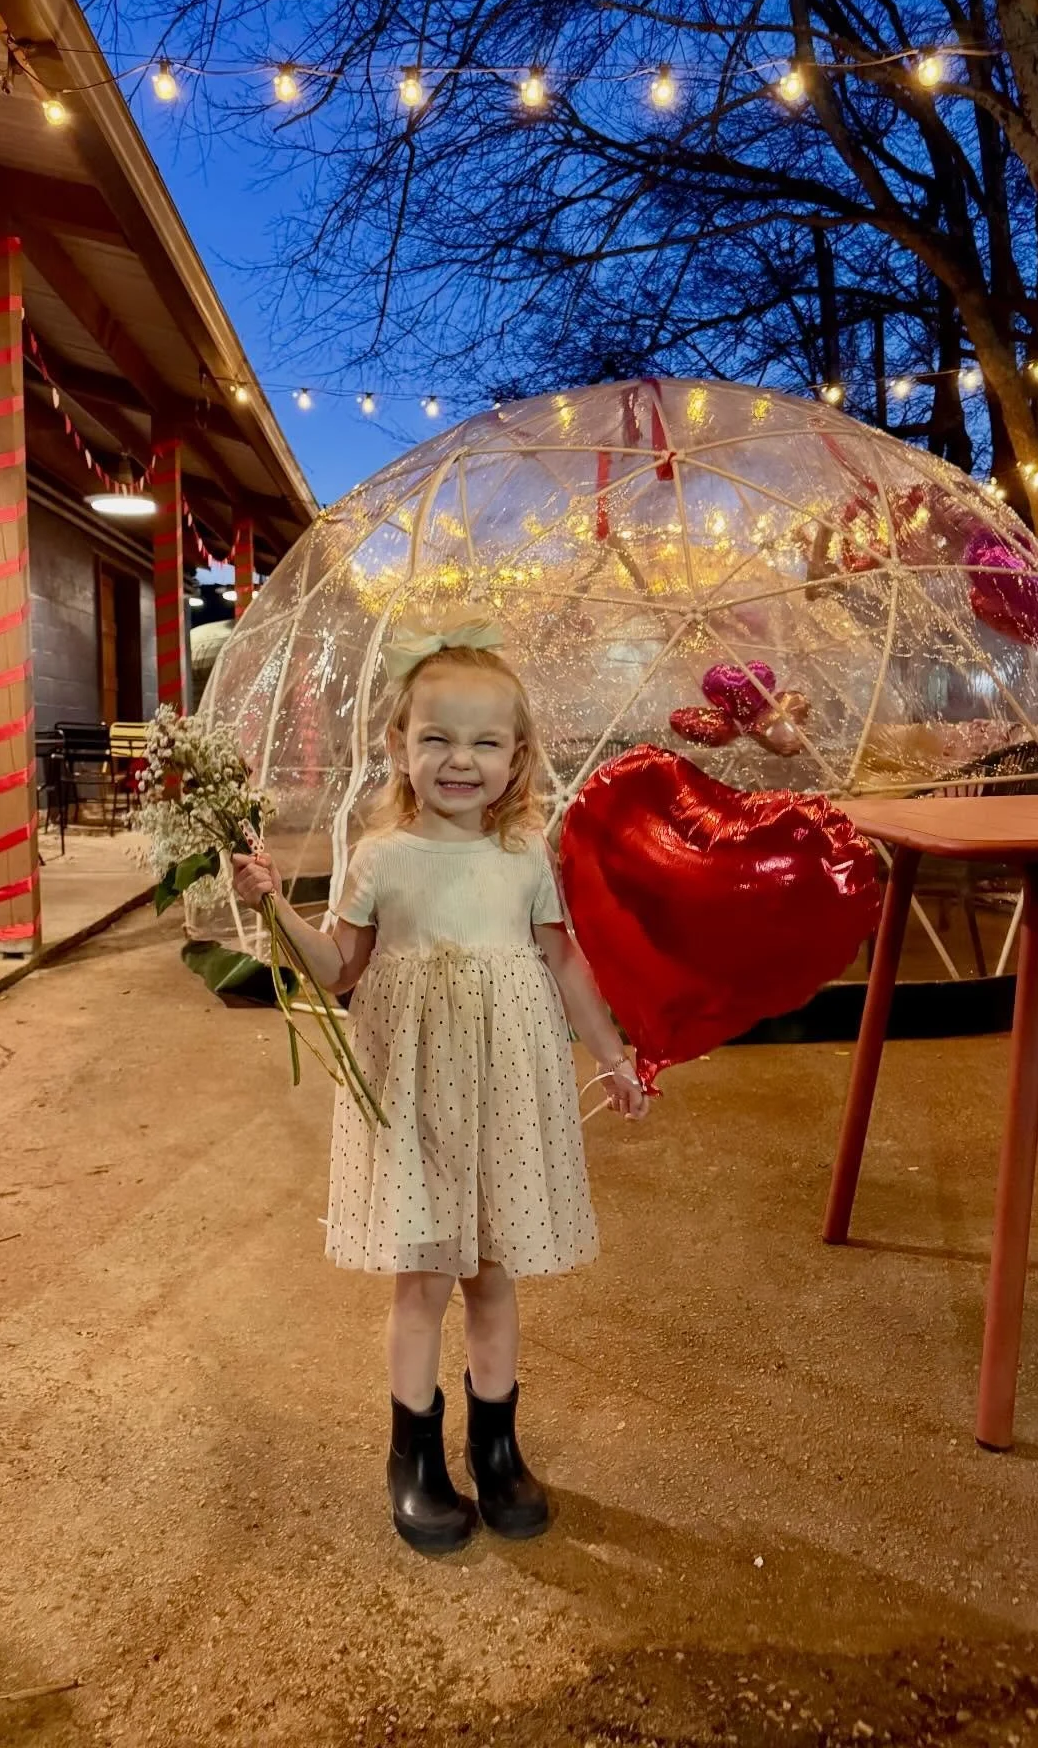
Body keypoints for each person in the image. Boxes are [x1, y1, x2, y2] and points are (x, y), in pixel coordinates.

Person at [232, 615, 643, 1554]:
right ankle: (413, 1457)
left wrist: (612, 1056)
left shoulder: (526, 856)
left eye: (485, 742)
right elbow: (336, 968)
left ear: (518, 756)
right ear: (399, 747)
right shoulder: (381, 858)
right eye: (437, 738)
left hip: (503, 1092)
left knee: (493, 1275)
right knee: (421, 1279)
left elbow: (567, 966)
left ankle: (495, 1448)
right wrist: (271, 905)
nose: (461, 760)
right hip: (413, 1091)